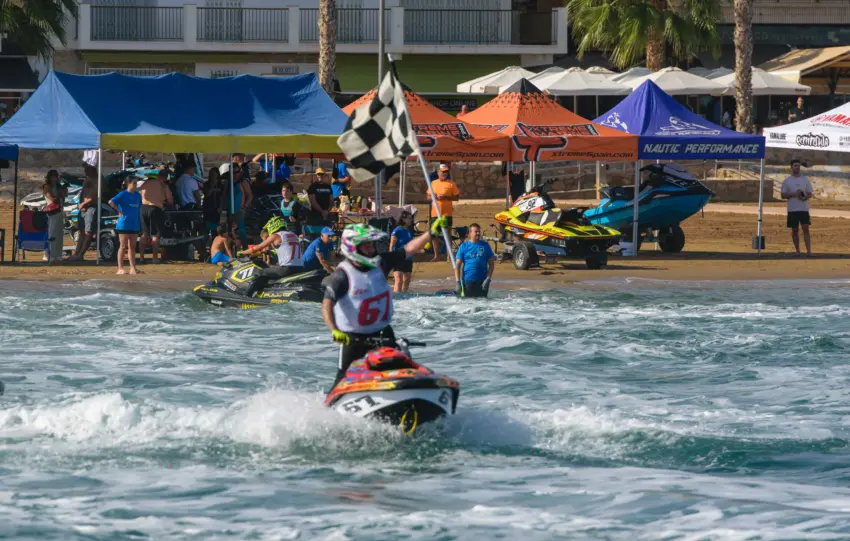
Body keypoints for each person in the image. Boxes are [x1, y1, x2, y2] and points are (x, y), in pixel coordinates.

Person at [322, 217, 448, 384]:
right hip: (353, 339)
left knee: (399, 370)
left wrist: (430, 233)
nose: (371, 248)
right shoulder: (342, 275)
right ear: (353, 247)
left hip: (383, 333)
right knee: (342, 380)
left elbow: (408, 249)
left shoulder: (381, 263)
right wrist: (334, 330)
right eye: (366, 244)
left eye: (372, 244)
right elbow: (327, 304)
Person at [239, 216, 304, 297]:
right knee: (271, 270)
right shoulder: (293, 234)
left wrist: (242, 252)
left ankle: (246, 296)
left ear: (273, 225)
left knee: (260, 272)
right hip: (300, 268)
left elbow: (257, 247)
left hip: (287, 269)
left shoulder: (275, 236)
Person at [109, 176, 143, 275]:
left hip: (134, 223)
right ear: (128, 184)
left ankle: (133, 268)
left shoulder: (137, 195)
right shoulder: (123, 194)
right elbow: (111, 202)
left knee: (132, 246)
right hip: (124, 223)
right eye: (134, 183)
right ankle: (120, 268)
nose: (136, 185)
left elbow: (139, 206)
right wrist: (119, 211)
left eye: (136, 183)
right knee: (123, 246)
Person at [426, 163, 460, 262]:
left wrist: (446, 197)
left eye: (446, 172)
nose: (444, 173)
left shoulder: (451, 183)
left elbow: (457, 197)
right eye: (443, 171)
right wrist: (435, 197)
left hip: (446, 214)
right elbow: (428, 196)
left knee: (447, 235)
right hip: (435, 213)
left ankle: (449, 256)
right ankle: (437, 255)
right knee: (433, 234)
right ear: (438, 172)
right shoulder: (433, 183)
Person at [139, 169, 173, 264]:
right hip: (155, 209)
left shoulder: (146, 183)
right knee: (155, 234)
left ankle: (141, 257)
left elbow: (140, 194)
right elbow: (170, 200)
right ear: (165, 177)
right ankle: (154, 258)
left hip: (143, 208)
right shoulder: (163, 185)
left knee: (144, 234)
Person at [781, 159, 814, 256]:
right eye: (795, 165)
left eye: (798, 166)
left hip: (803, 209)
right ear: (791, 167)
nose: (797, 167)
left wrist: (805, 198)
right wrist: (794, 194)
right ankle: (798, 250)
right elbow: (783, 195)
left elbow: (809, 193)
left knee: (806, 229)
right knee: (794, 230)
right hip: (792, 209)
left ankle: (809, 251)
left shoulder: (805, 179)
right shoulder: (787, 181)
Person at [454, 223, 496, 298]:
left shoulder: (485, 246)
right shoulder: (464, 246)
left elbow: (491, 264)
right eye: (476, 231)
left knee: (483, 305)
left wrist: (488, 279)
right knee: (468, 303)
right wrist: (458, 282)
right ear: (470, 233)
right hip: (468, 281)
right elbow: (457, 266)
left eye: (479, 231)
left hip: (482, 281)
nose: (478, 233)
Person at [67, 165, 99, 261]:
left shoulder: (96, 180)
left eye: (87, 170)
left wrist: (85, 203)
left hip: (90, 207)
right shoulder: (87, 180)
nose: (86, 172)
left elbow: (95, 194)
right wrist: (81, 204)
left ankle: (81, 254)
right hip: (82, 207)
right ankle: (76, 253)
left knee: (87, 231)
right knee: (81, 231)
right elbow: (82, 192)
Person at [42, 169, 68, 264]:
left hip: (59, 211)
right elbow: (52, 200)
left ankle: (58, 255)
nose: (54, 179)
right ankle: (50, 254)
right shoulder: (47, 187)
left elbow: (63, 200)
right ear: (49, 177)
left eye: (56, 177)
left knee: (59, 234)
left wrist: (63, 193)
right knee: (52, 233)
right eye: (52, 177)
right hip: (51, 213)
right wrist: (60, 195)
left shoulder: (58, 187)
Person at [389, 210, 415, 293]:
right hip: (398, 257)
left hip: (408, 258)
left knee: (407, 280)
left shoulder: (409, 231)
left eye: (411, 218)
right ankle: (397, 297)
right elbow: (391, 245)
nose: (411, 220)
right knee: (399, 280)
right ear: (403, 219)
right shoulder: (397, 230)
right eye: (409, 218)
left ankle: (404, 297)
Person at [307, 168, 334, 234]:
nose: (320, 176)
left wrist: (327, 211)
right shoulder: (312, 187)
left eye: (322, 174)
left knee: (328, 234)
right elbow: (313, 201)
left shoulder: (328, 187)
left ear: (324, 175)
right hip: (316, 215)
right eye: (319, 174)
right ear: (316, 175)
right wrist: (322, 211)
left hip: (327, 214)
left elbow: (331, 200)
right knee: (317, 234)